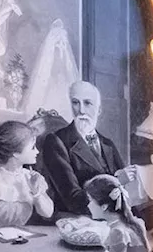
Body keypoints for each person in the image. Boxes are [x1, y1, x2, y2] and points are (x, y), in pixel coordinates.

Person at [40, 81, 130, 215]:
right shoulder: (56, 141)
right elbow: (72, 199)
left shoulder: (107, 144)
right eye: (75, 103)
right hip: (80, 219)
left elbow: (125, 187)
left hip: (113, 217)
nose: (81, 110)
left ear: (99, 110)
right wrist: (117, 184)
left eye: (87, 103)